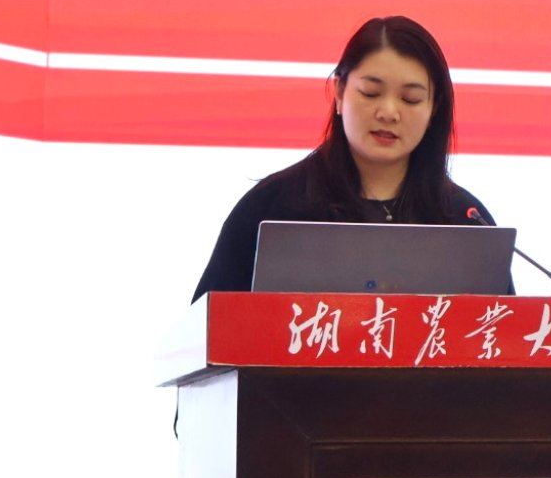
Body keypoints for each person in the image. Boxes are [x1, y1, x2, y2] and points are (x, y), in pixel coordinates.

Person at [191, 15, 497, 300]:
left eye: (410, 99)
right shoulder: (272, 209)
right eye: (370, 93)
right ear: (339, 92)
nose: (388, 112)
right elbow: (205, 330)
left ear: (434, 109)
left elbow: (498, 333)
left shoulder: (465, 221)